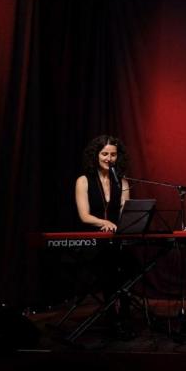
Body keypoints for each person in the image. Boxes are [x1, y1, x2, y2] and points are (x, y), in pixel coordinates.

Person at [74, 135, 136, 338]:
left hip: (116, 240)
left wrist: (123, 224)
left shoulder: (123, 181)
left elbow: (126, 212)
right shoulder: (83, 181)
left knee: (131, 265)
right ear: (96, 155)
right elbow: (84, 216)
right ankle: (113, 319)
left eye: (113, 154)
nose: (109, 158)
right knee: (110, 267)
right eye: (105, 154)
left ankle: (124, 316)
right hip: (94, 242)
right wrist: (104, 223)